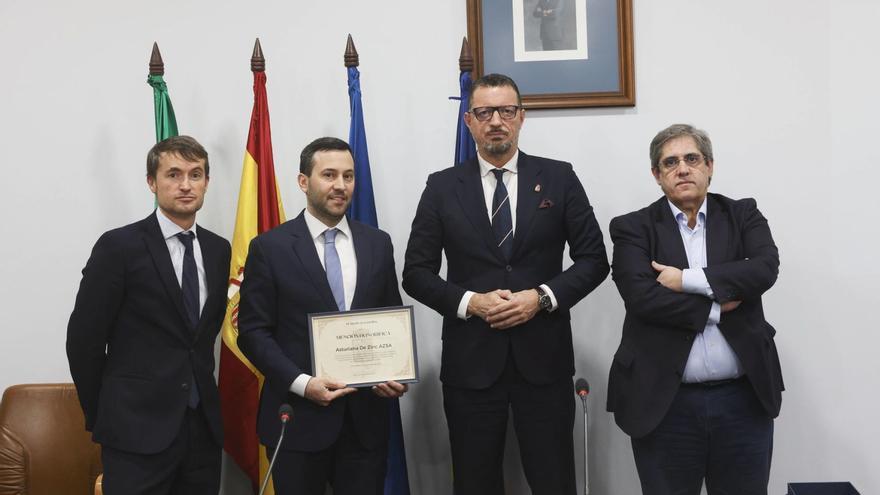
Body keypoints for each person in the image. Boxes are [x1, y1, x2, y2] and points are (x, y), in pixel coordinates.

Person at [403, 73, 609, 495]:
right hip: (471, 364)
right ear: (469, 121)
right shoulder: (441, 187)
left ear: (521, 117)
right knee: (475, 482)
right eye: (484, 112)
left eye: (506, 111)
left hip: (544, 361)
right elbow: (416, 273)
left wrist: (542, 297)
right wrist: (471, 302)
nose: (496, 120)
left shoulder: (559, 178)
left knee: (554, 481)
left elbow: (594, 260)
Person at [607, 124, 783, 495]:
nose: (682, 168)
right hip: (665, 404)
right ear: (657, 175)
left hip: (742, 402)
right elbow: (641, 297)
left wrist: (685, 279)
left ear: (710, 166)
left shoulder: (742, 215)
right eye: (670, 162)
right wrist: (718, 307)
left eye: (692, 159)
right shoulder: (633, 228)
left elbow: (764, 269)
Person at [237, 137, 408, 495]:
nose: (340, 185)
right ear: (304, 182)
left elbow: (389, 320)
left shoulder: (377, 243)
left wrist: (395, 372)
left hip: (365, 424)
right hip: (298, 419)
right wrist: (302, 383)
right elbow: (253, 333)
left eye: (348, 176)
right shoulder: (270, 248)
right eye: (329, 175)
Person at [66, 135, 231, 494]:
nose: (185, 185)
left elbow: (200, 340)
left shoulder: (219, 250)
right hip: (134, 433)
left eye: (196, 174)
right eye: (173, 174)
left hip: (201, 432)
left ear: (207, 182)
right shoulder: (119, 246)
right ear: (152, 182)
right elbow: (84, 342)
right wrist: (106, 415)